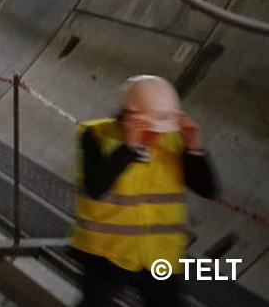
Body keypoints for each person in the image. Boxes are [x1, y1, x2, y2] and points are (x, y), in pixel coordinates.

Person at [73, 75, 217, 307]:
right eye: (152, 125)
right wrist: (128, 149)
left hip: (159, 256)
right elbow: (95, 187)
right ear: (130, 115)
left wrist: (194, 148)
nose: (158, 133)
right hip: (106, 254)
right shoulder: (96, 134)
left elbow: (208, 189)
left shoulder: (173, 141)